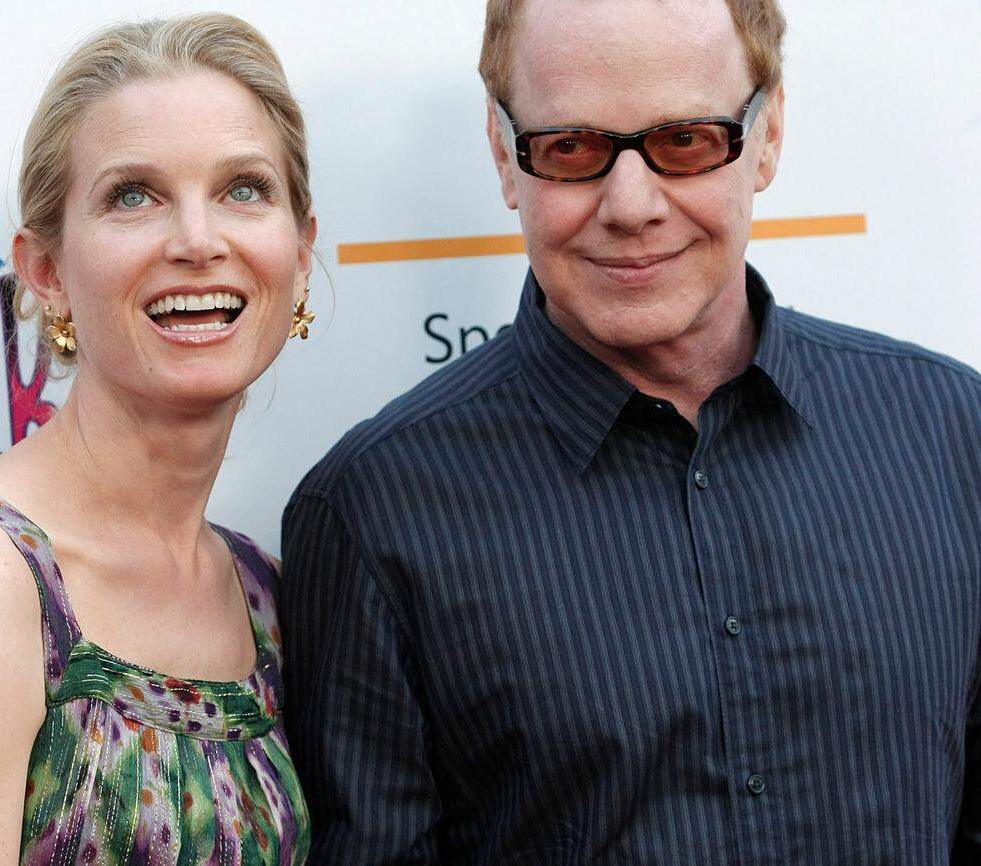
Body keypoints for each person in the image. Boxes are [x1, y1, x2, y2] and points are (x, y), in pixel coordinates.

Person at [281, 0, 981, 862]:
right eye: (571, 149)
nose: (630, 204)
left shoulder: (952, 435)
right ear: (507, 157)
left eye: (686, 141)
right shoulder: (373, 511)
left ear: (767, 136)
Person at [0, 13, 317, 865]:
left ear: (301, 250)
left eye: (244, 188)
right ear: (46, 272)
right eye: (132, 195)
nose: (199, 241)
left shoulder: (267, 594)